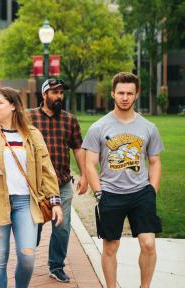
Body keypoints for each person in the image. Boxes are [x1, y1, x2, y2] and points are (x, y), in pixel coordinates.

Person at [0, 87, 63, 288]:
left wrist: (55, 202)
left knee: (27, 257)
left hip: (26, 202)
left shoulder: (32, 134)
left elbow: (46, 169)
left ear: (14, 106)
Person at [82, 72, 164, 288]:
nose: (125, 97)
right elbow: (89, 163)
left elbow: (154, 161)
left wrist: (151, 191)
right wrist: (99, 193)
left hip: (141, 193)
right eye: (121, 93)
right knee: (111, 246)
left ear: (136, 95)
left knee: (148, 244)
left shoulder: (148, 127)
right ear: (113, 94)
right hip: (110, 193)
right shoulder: (99, 127)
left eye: (129, 93)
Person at [27, 78, 88, 283]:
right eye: (54, 92)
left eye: (61, 93)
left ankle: (56, 265)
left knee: (62, 228)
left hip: (62, 184)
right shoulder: (29, 117)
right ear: (44, 95)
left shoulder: (70, 120)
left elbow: (78, 148)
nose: (59, 96)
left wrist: (84, 175)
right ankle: (26, 261)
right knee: (32, 229)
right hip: (36, 187)